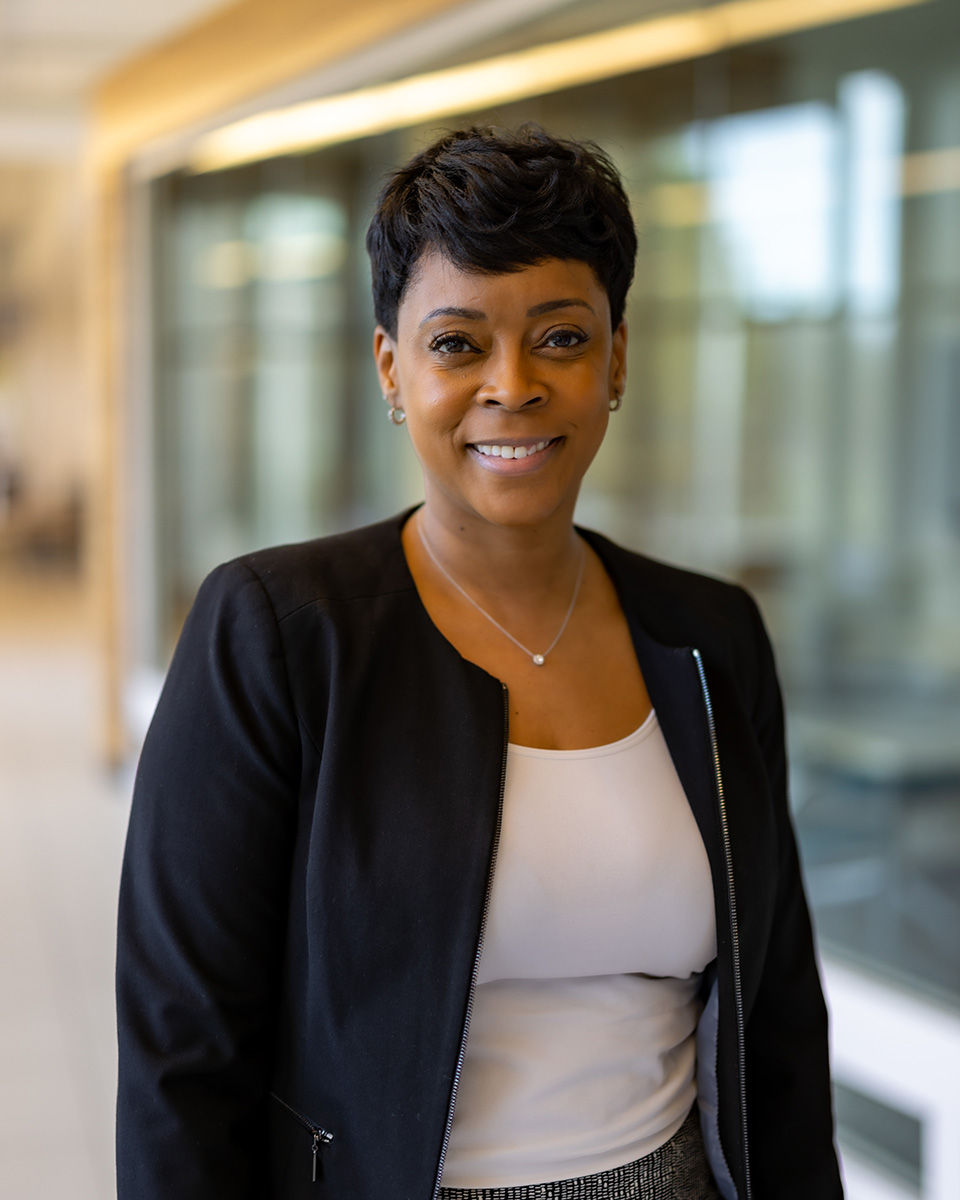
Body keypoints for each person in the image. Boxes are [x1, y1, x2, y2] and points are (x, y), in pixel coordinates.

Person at [116, 125, 843, 1200]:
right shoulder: (277, 634)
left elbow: (778, 1023)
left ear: (618, 359)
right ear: (391, 370)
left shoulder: (710, 637)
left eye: (560, 338)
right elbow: (183, 1053)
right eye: (458, 344)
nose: (514, 384)